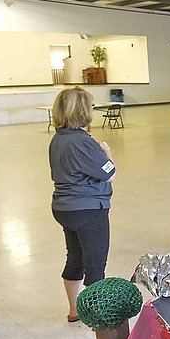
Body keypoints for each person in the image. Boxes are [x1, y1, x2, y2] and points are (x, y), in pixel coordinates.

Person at [49, 87, 117, 323]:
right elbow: (110, 173)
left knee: (75, 257)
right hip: (88, 209)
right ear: (81, 110)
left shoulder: (58, 139)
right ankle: (96, 315)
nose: (92, 110)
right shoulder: (82, 142)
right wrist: (107, 153)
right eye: (89, 106)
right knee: (95, 263)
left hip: (63, 207)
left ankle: (74, 310)